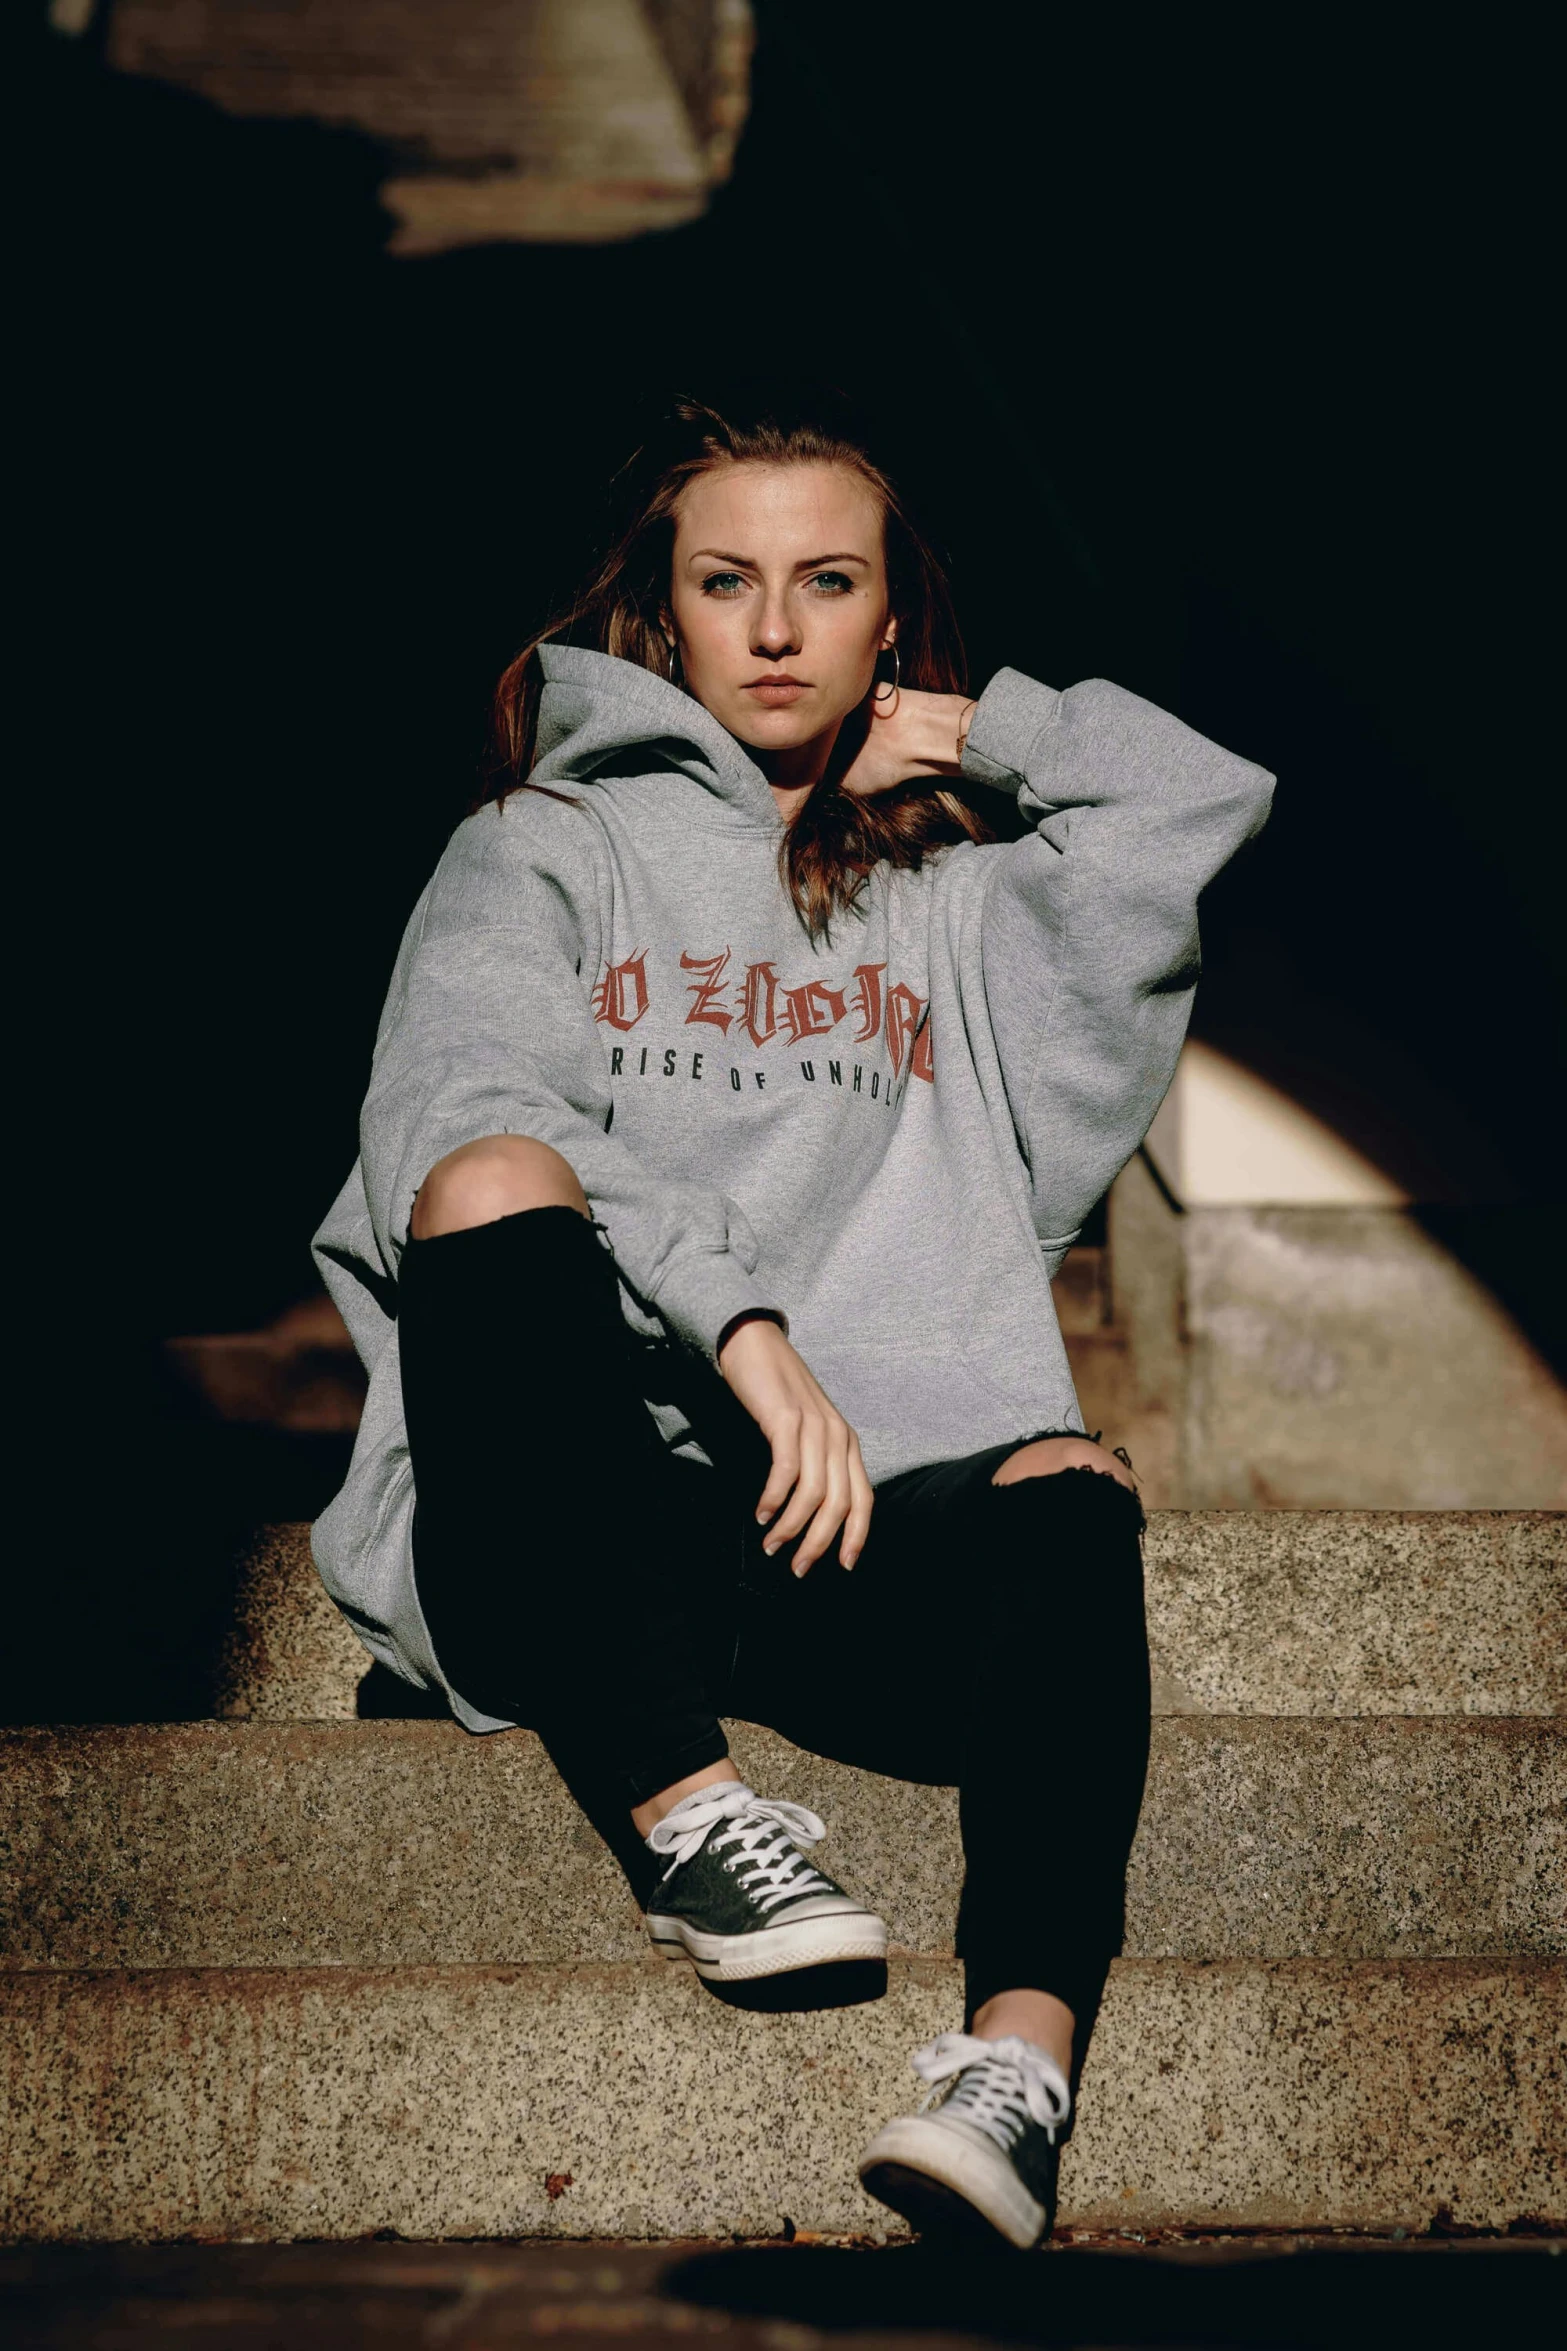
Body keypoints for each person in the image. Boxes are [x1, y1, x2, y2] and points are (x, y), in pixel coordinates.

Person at [311, 389, 1273, 2249]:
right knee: (496, 1178)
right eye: (725, 581)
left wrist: (988, 731)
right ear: (654, 617)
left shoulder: (955, 901)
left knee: (1069, 1493)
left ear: (883, 622)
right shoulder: (537, 852)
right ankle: (688, 1811)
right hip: (578, 1496)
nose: (771, 629)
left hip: (841, 1527)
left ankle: (1012, 2077)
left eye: (825, 584)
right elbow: (461, 1124)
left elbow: (1195, 808)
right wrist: (744, 1329)